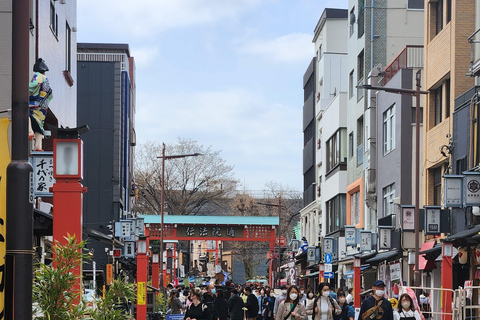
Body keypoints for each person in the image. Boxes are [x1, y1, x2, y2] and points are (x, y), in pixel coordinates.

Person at [29, 58, 53, 151]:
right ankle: (38, 146)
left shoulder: (37, 76)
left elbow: (32, 86)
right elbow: (51, 95)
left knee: (25, 113)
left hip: (34, 103)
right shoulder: (46, 79)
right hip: (43, 106)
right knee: (39, 126)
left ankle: (30, 131)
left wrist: (24, 89)